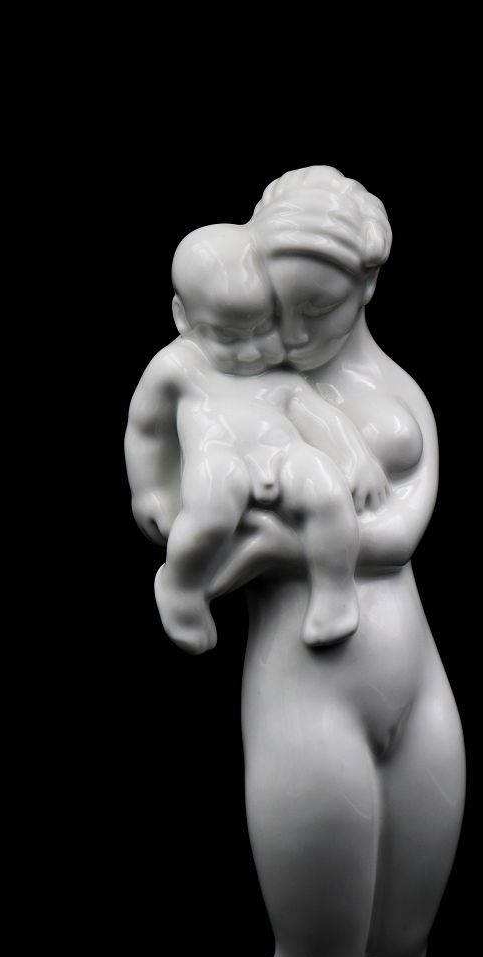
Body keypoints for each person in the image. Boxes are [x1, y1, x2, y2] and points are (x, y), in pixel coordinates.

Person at [203, 167, 466, 957]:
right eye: (281, 305)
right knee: (319, 942)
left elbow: (400, 530)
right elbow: (195, 545)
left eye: (320, 309)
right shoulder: (231, 386)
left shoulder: (395, 393)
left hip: (418, 685)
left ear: (367, 286)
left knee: (402, 934)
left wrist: (291, 535)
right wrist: (291, 535)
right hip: (307, 695)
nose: (294, 330)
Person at [125, 223, 388, 651]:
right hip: (218, 458)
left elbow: (321, 416)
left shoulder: (282, 372)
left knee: (326, 491)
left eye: (263, 329)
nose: (250, 352)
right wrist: (151, 491)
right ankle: (182, 586)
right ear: (183, 318)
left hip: (283, 453)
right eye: (228, 337)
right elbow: (147, 430)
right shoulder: (177, 368)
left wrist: (358, 459)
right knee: (211, 511)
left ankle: (334, 591)